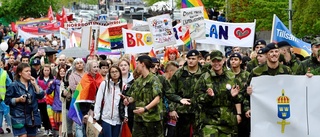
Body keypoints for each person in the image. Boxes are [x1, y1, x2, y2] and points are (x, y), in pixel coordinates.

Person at [193, 50, 240, 137]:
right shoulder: (204, 77)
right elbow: (196, 98)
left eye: (218, 61)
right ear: (210, 62)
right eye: (214, 61)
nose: (216, 63)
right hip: (209, 122)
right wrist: (208, 96)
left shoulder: (231, 76)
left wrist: (233, 96)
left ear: (223, 60)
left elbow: (238, 99)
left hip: (227, 122)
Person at [245, 43, 292, 119]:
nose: (274, 54)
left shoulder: (286, 70)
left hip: (281, 108)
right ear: (266, 54)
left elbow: (293, 89)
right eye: (271, 52)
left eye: (276, 52)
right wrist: (248, 108)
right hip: (262, 110)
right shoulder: (256, 71)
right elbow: (246, 92)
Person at [122, 55, 163, 137]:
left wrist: (145, 109)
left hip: (152, 119)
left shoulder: (154, 79)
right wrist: (127, 100)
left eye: (137, 64)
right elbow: (134, 97)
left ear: (143, 64)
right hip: (139, 119)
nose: (136, 66)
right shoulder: (138, 81)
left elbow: (157, 98)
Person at [169, 50, 204, 137]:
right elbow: (171, 92)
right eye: (189, 58)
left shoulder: (204, 73)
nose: (190, 61)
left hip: (200, 110)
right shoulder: (179, 73)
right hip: (182, 111)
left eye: (193, 58)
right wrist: (172, 109)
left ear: (198, 59)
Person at [5, 63, 45, 137]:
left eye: (29, 71)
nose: (29, 73)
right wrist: (18, 100)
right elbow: (7, 100)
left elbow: (41, 96)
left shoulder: (32, 84)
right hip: (18, 117)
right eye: (26, 71)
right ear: (20, 73)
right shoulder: (13, 85)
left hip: (32, 116)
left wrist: (35, 84)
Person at [69, 60, 104, 137]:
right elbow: (82, 96)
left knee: (94, 129)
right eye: (94, 67)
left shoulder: (100, 78)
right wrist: (85, 113)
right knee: (82, 128)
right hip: (84, 107)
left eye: (97, 67)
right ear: (89, 68)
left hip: (97, 108)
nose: (96, 69)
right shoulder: (85, 78)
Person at [94, 66, 125, 137]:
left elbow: (125, 103)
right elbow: (98, 100)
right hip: (106, 118)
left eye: (116, 71)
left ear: (119, 73)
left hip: (117, 119)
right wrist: (96, 116)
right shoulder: (104, 84)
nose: (114, 74)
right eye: (112, 72)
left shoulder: (123, 86)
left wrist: (125, 115)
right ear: (109, 74)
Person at [229, 53, 250, 137]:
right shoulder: (226, 74)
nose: (233, 61)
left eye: (236, 59)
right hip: (230, 108)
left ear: (240, 61)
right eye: (232, 59)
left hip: (244, 107)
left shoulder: (247, 75)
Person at [68, 58, 86, 137]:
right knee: (79, 124)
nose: (79, 64)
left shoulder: (87, 74)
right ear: (74, 65)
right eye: (77, 63)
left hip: (87, 101)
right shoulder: (72, 75)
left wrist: (79, 85)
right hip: (77, 101)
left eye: (81, 63)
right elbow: (72, 87)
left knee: (87, 123)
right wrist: (83, 85)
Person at [47, 67, 67, 136]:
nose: (62, 72)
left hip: (66, 105)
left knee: (65, 123)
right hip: (58, 105)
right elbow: (49, 92)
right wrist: (49, 86)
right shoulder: (55, 82)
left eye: (63, 71)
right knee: (61, 123)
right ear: (58, 72)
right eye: (60, 71)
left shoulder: (68, 82)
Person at [37, 64, 55, 136]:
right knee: (44, 115)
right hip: (41, 100)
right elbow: (37, 87)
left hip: (50, 100)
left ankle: (50, 129)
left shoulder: (53, 78)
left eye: (48, 70)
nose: (46, 72)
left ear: (50, 71)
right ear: (42, 71)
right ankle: (46, 129)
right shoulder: (39, 79)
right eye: (45, 70)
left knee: (49, 115)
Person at [0, 59, 12, 134]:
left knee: (6, 112)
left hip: (3, 97)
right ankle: (0, 127)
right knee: (0, 113)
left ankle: (9, 125)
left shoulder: (4, 73)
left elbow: (9, 83)